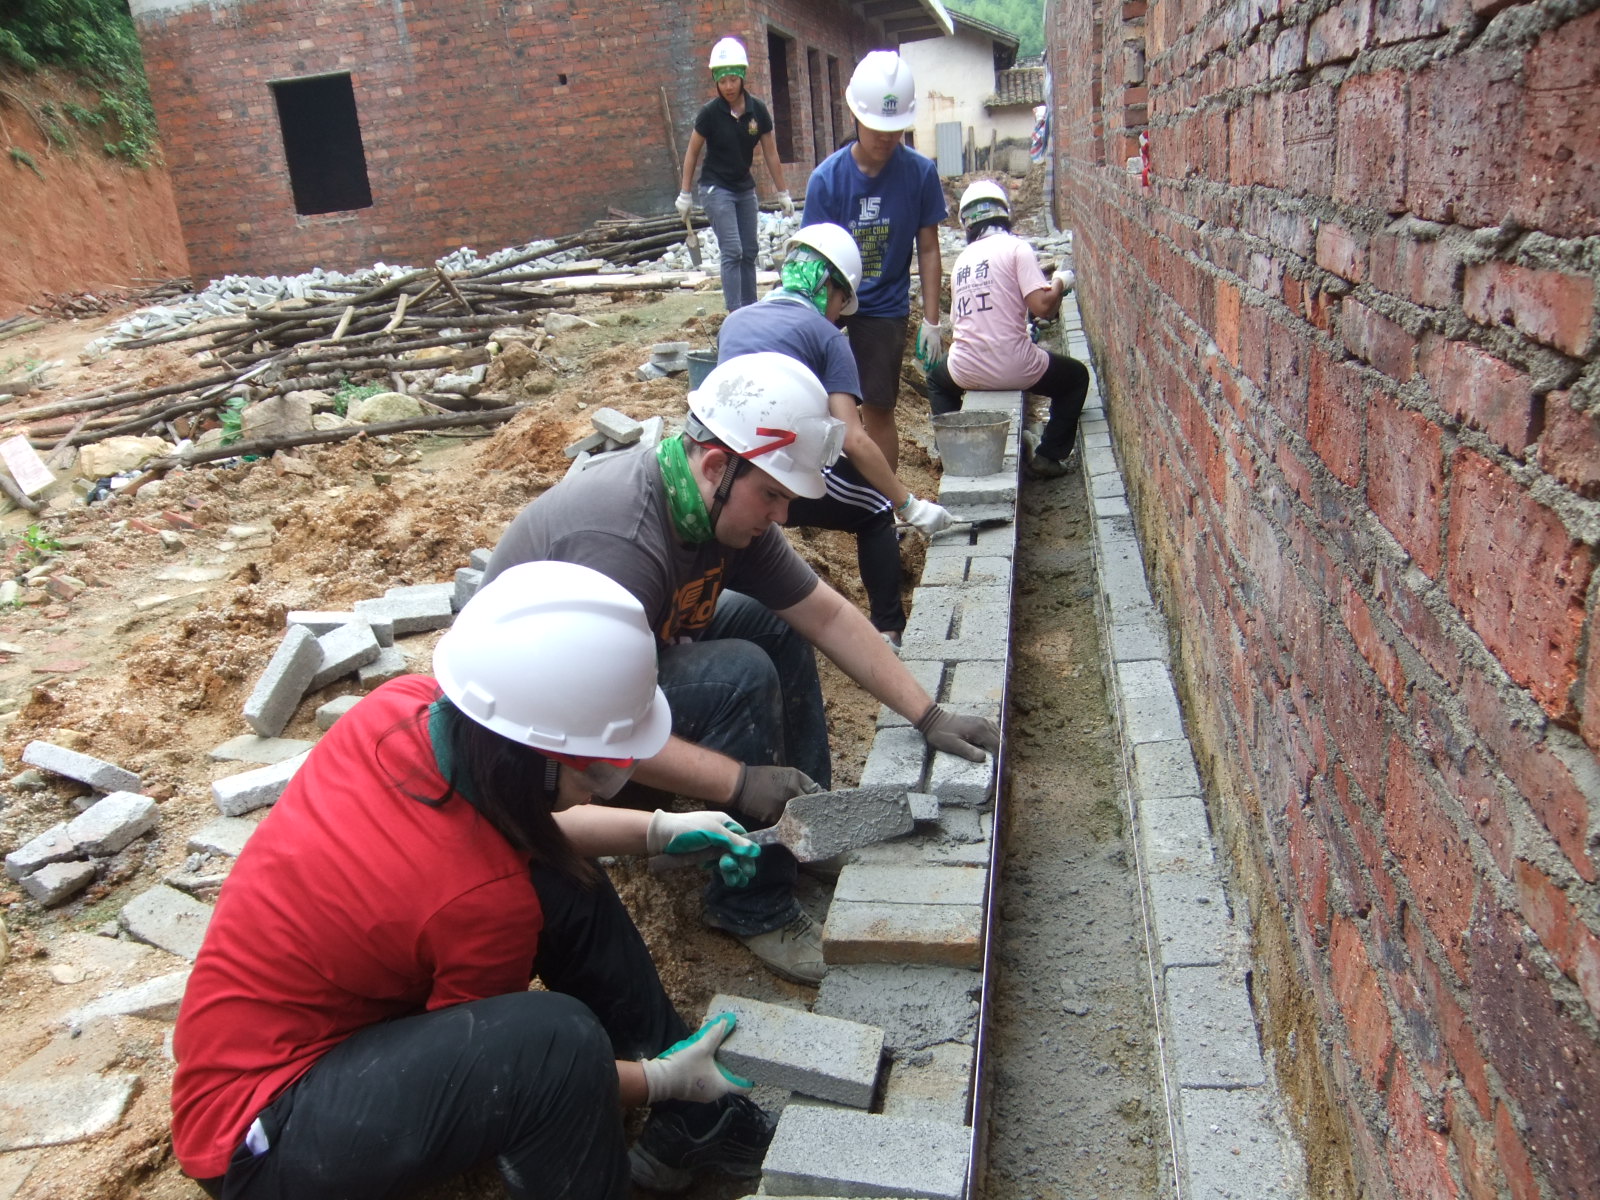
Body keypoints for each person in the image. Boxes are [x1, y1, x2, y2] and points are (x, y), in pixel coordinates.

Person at [170, 560, 776, 1200]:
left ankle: (692, 1122)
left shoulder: (402, 710)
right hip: (262, 1134)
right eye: (587, 778)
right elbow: (508, 1072)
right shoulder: (482, 905)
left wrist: (657, 829)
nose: (595, 791)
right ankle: (673, 1096)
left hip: (283, 1038)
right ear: (526, 763)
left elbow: (486, 845)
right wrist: (659, 1080)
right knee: (556, 1044)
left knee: (561, 877)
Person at [484, 354, 1000, 986]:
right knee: (738, 673)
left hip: (628, 670)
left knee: (773, 621)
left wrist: (929, 713)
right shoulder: (623, 545)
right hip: (543, 735)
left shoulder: (717, 509)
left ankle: (810, 824)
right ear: (716, 466)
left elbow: (825, 615)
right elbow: (588, 729)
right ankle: (753, 905)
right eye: (774, 495)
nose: (782, 516)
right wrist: (739, 781)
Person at [717, 222, 953, 647]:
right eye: (841, 302)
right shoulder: (825, 337)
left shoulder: (735, 322)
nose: (840, 316)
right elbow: (854, 439)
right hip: (777, 473)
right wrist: (909, 505)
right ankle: (888, 632)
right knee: (873, 508)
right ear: (828, 287)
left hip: (722, 471)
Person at [801, 49, 947, 474]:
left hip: (883, 306)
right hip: (831, 302)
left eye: (895, 129)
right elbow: (812, 263)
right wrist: (815, 324)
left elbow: (930, 249)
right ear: (856, 116)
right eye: (877, 128)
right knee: (816, 402)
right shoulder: (826, 181)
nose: (886, 138)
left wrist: (933, 320)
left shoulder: (919, 174)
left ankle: (883, 505)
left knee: (879, 407)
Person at [926, 179, 1090, 479]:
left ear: (967, 224)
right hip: (1016, 367)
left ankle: (950, 447)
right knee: (1076, 378)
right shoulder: (1017, 248)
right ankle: (1048, 455)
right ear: (1004, 213)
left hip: (966, 369)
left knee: (937, 380)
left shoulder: (962, 261)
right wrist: (1060, 283)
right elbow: (1042, 307)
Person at [676, 36, 794, 312]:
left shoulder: (757, 111)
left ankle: (750, 310)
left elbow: (771, 153)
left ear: (742, 77)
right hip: (716, 189)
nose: (728, 86)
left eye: (733, 79)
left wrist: (783, 192)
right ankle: (736, 314)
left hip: (743, 188)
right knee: (733, 251)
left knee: (750, 251)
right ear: (716, 81)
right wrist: (685, 193)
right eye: (722, 80)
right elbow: (692, 152)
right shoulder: (709, 113)